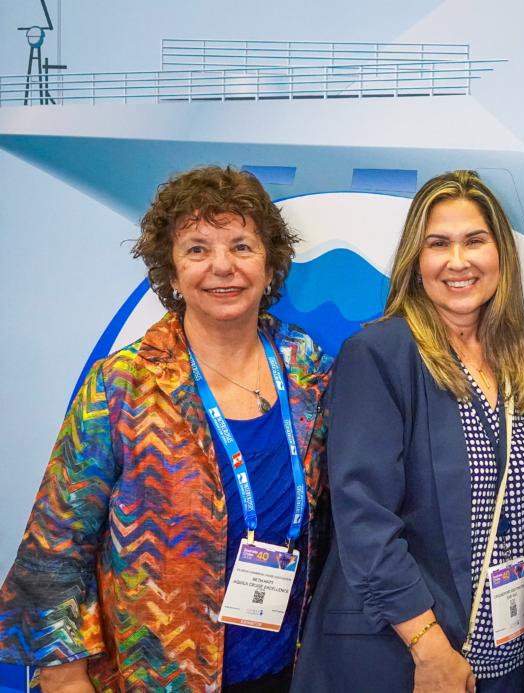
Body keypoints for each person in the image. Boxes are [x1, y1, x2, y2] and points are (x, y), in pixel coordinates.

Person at [0, 165, 332, 692]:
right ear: (173, 276)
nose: (222, 266)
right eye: (197, 249)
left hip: (286, 668)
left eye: (241, 246)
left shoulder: (307, 369)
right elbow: (54, 546)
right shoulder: (122, 385)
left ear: (270, 267)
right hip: (157, 676)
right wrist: (63, 678)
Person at [292, 170, 524, 693]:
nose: (458, 260)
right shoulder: (380, 355)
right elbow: (364, 518)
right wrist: (429, 649)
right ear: (416, 259)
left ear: (501, 253)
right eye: (439, 244)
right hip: (408, 655)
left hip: (506, 655)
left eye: (474, 240)